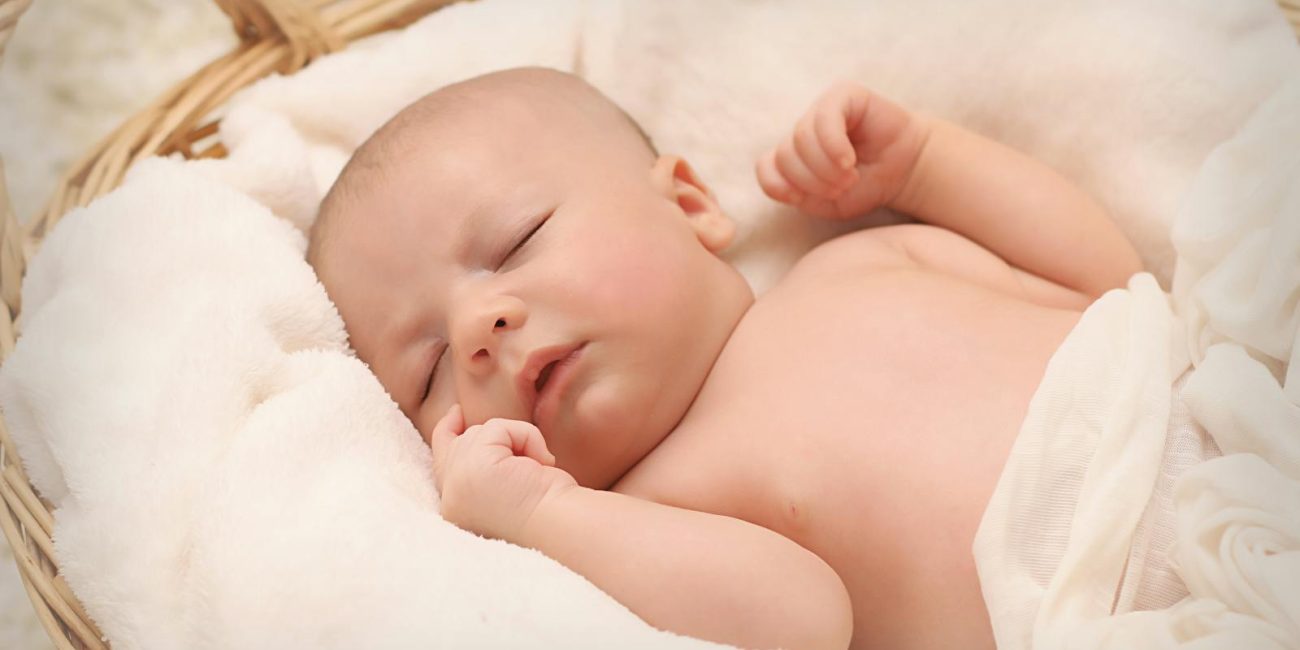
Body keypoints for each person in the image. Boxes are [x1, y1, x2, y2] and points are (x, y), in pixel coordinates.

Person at [307, 66, 1143, 650]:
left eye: (516, 242)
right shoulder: (647, 515)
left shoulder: (859, 259)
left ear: (691, 204)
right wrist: (537, 515)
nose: (478, 329)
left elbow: (1107, 283)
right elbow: (803, 622)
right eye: (428, 370)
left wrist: (925, 164)